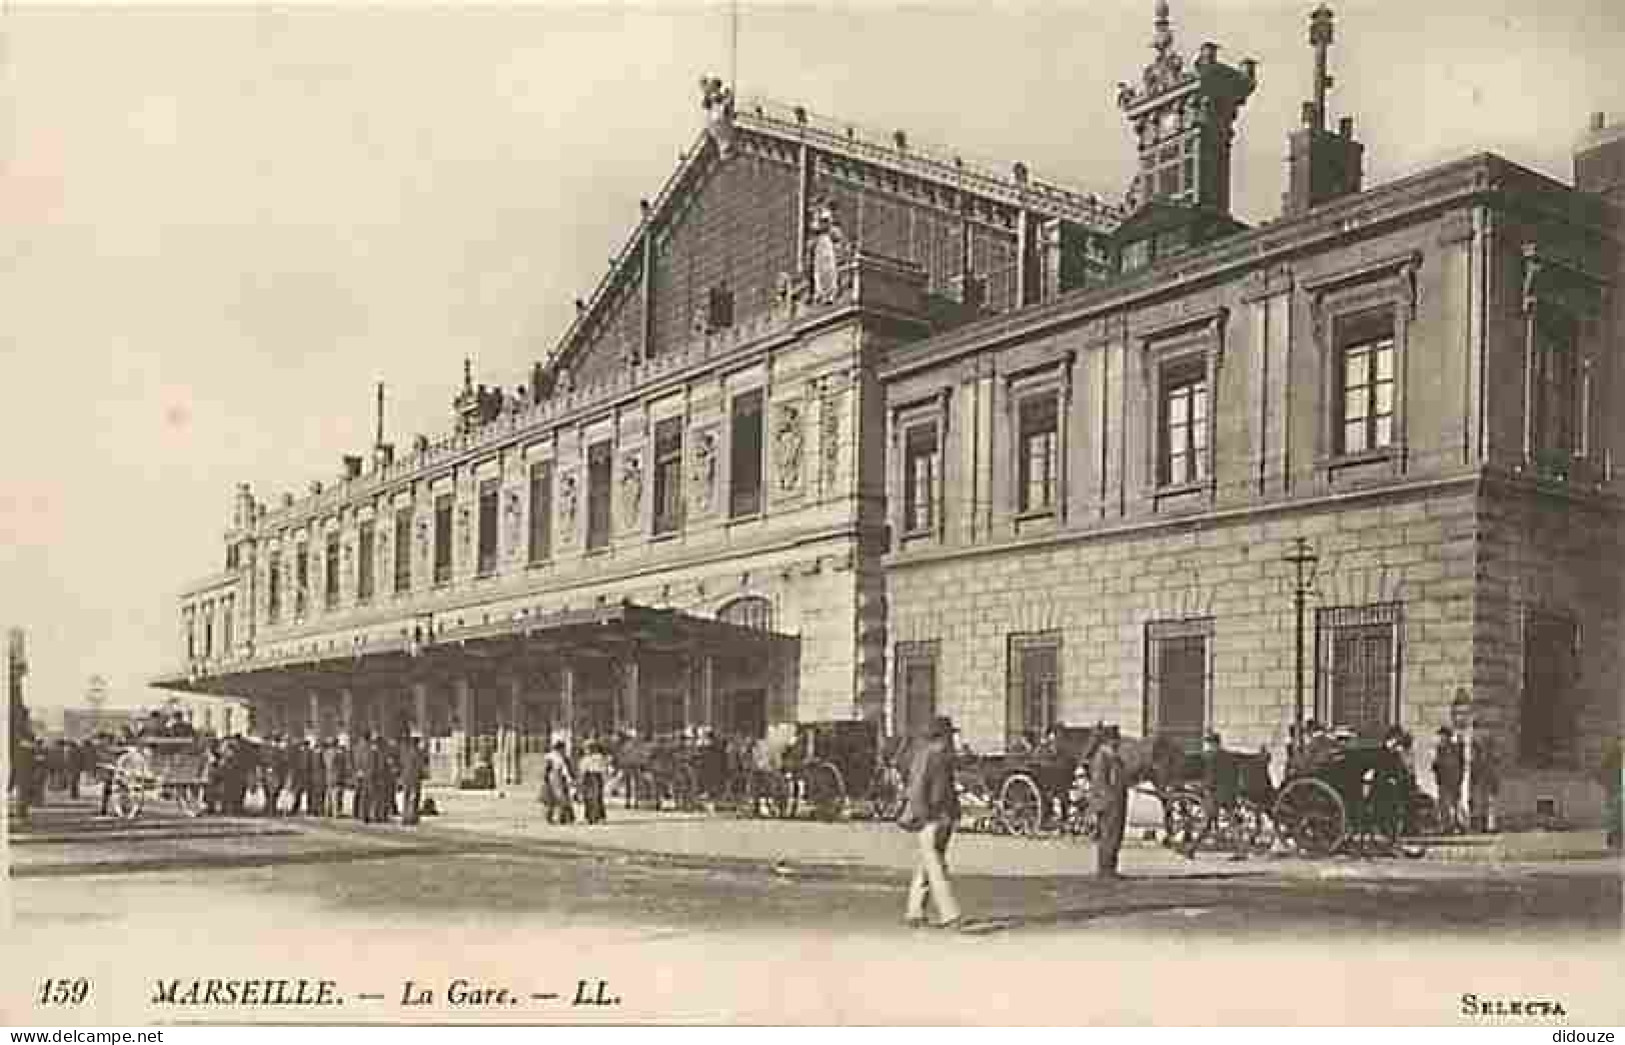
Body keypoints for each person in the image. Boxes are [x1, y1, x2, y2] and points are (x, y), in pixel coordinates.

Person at [899, 715, 962, 928]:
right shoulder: (927, 757)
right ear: (938, 737)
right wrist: (924, 815)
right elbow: (917, 790)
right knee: (936, 866)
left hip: (943, 818)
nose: (951, 741)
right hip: (932, 818)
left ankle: (914, 912)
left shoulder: (941, 757)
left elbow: (948, 791)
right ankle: (949, 914)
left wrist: (953, 815)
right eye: (948, 736)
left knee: (927, 863)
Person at [1090, 726, 1128, 879]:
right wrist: (1109, 799)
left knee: (1116, 835)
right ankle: (1105, 869)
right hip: (1108, 802)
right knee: (1108, 835)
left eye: (1117, 740)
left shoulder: (1114, 756)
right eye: (1114, 740)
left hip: (1118, 800)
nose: (1117, 743)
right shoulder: (1102, 757)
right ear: (1107, 741)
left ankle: (1111, 868)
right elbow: (1099, 781)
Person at [1432, 726, 1465, 834]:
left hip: (1454, 779)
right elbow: (1436, 765)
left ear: (1448, 736)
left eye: (1443, 736)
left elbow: (1461, 763)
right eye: (1440, 736)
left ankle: (1456, 824)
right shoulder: (1439, 749)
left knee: (1455, 803)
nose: (1441, 738)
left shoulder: (1455, 748)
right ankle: (1445, 825)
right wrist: (1437, 773)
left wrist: (1459, 778)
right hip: (1443, 780)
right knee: (1443, 803)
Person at [541, 741, 575, 824]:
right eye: (562, 748)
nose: (563, 750)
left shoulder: (563, 757)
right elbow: (547, 768)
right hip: (555, 778)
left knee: (563, 798)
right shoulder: (552, 757)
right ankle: (554, 817)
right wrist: (546, 778)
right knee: (556, 799)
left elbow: (568, 769)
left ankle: (564, 817)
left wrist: (571, 777)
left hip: (560, 778)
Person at [579, 739, 609, 825]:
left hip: (595, 777)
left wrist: (604, 778)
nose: (586, 750)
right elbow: (582, 770)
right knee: (588, 798)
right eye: (585, 748)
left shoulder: (599, 757)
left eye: (587, 748)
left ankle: (600, 817)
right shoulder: (585, 758)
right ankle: (589, 817)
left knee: (597, 797)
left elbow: (603, 769)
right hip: (587, 778)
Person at [398, 735, 426, 825]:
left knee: (406, 797)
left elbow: (401, 764)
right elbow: (420, 765)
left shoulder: (405, 752)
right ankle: (412, 816)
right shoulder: (418, 752)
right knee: (414, 798)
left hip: (406, 777)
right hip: (414, 778)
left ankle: (405, 817)